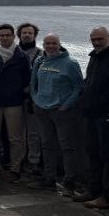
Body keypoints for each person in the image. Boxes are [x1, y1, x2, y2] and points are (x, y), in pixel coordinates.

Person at [30, 33, 85, 196]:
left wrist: (66, 105)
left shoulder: (70, 63)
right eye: (47, 43)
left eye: (54, 43)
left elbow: (78, 87)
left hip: (61, 111)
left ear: (59, 44)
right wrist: (35, 99)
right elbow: (33, 83)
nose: (51, 46)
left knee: (66, 147)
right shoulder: (40, 61)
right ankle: (50, 178)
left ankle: (69, 181)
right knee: (46, 145)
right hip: (42, 109)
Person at [81, 26, 109, 210]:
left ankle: (108, 196)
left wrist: (99, 103)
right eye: (94, 39)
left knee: (107, 156)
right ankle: (93, 190)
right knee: (93, 153)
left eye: (100, 39)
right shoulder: (94, 56)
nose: (97, 42)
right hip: (90, 113)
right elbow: (89, 81)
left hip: (105, 116)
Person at [0, 24, 31, 182]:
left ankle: (15, 169)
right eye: (2, 35)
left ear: (13, 37)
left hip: (13, 101)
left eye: (7, 35)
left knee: (15, 138)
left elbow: (27, 78)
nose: (4, 38)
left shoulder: (21, 56)